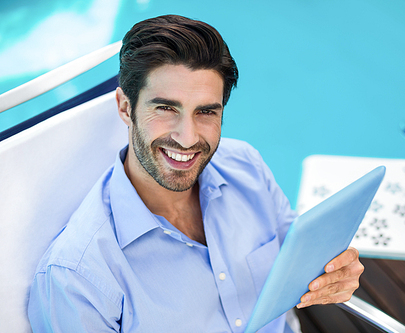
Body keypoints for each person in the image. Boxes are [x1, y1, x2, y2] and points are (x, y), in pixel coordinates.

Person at [28, 15, 364, 332]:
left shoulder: (246, 165)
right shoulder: (77, 275)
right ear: (125, 107)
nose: (187, 138)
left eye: (205, 112)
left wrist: (334, 272)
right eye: (166, 108)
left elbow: (297, 254)